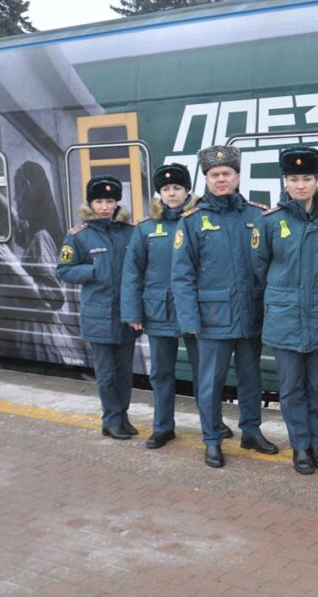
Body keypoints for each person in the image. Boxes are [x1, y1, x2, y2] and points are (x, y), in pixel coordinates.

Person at [171, 145, 278, 468]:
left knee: (251, 378)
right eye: (214, 174)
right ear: (206, 179)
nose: (221, 179)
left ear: (238, 176)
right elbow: (181, 276)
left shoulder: (257, 215)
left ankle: (251, 431)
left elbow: (271, 266)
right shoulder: (192, 221)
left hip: (250, 314)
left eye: (226, 173)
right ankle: (212, 440)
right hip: (211, 319)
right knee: (210, 383)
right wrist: (189, 320)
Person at [251, 147, 318, 475]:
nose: (300, 185)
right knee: (291, 388)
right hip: (285, 316)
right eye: (294, 179)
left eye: (307, 178)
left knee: (317, 386)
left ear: (317, 180)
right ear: (285, 181)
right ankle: (300, 446)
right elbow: (259, 266)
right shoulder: (270, 221)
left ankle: (315, 442)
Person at [122, 163, 225, 449]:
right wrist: (132, 311)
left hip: (197, 311)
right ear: (159, 193)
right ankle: (163, 427)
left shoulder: (200, 220)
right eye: (165, 189)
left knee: (204, 373)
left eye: (177, 188)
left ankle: (212, 424)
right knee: (161, 373)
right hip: (159, 311)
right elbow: (132, 272)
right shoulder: (146, 228)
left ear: (187, 190)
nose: (171, 194)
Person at [56, 175, 141, 440]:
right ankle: (110, 420)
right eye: (99, 201)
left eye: (110, 201)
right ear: (91, 204)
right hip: (98, 315)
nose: (105, 207)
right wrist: (94, 270)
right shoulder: (78, 236)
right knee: (106, 374)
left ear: (117, 203)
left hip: (126, 314)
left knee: (125, 373)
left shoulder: (130, 231)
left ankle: (122, 416)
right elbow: (64, 270)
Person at [0, 161, 83, 366]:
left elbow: (52, 298)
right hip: (39, 331)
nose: (15, 198)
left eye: (18, 190)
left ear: (29, 189)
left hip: (39, 335)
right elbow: (12, 220)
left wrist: (13, 264)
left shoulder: (41, 237)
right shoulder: (41, 231)